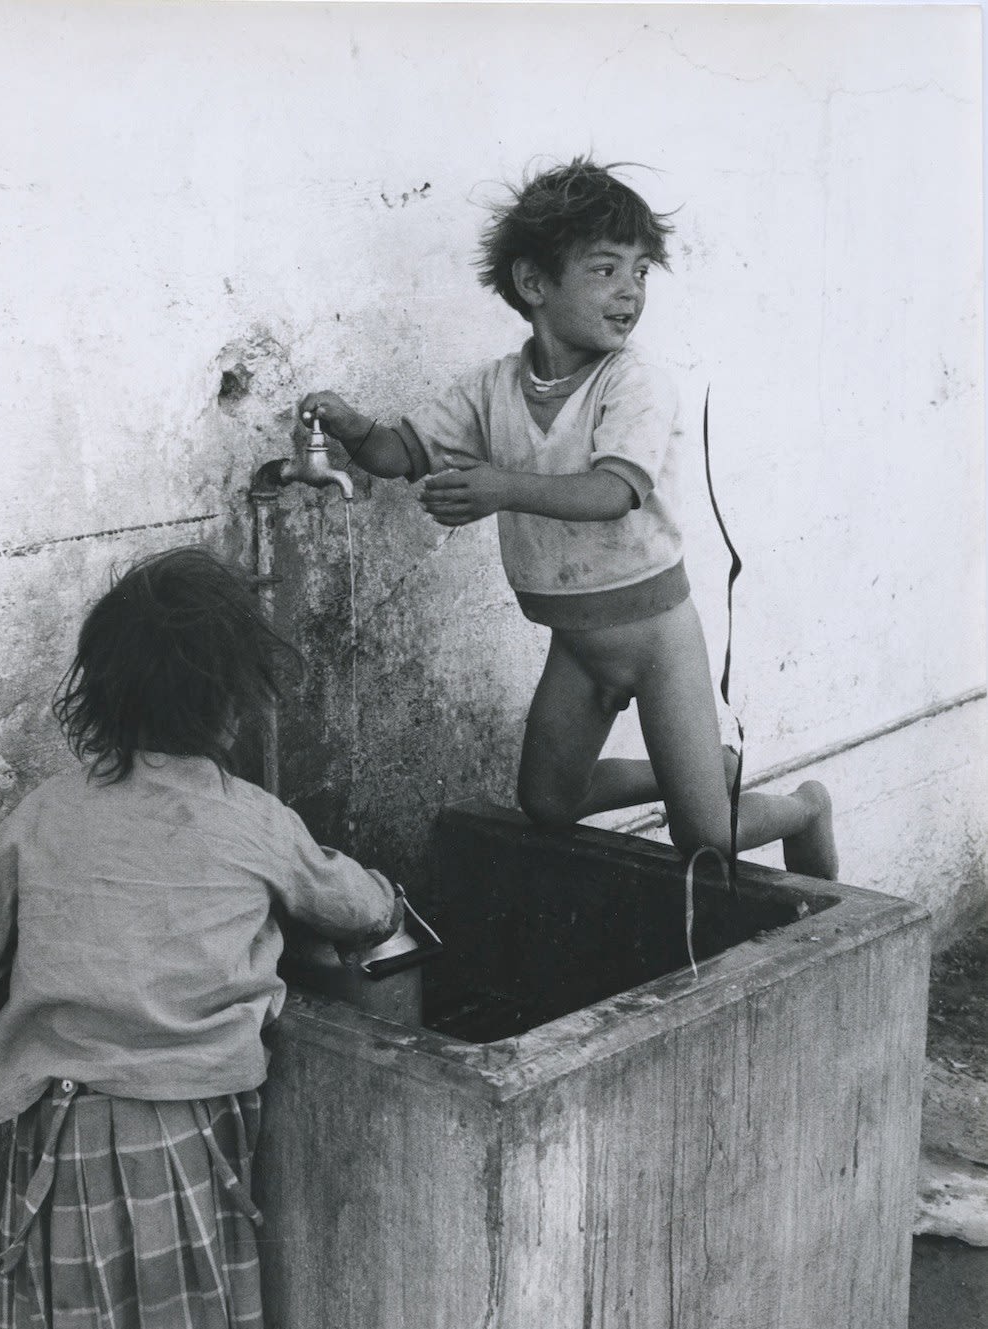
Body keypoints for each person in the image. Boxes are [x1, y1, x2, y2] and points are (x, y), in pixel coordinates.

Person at [0, 546, 399, 1329]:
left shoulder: (44, 813)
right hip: (189, 1136)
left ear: (102, 695)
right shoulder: (254, 821)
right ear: (234, 704)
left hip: (54, 1130)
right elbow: (359, 908)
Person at [299, 158, 838, 879]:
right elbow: (401, 454)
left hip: (656, 638)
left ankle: (804, 805)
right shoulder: (492, 389)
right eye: (606, 270)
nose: (630, 292)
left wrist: (498, 489)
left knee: (704, 835)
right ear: (534, 284)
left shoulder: (635, 381)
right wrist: (353, 426)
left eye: (642, 273)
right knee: (548, 803)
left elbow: (613, 491)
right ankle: (700, 769)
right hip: (577, 641)